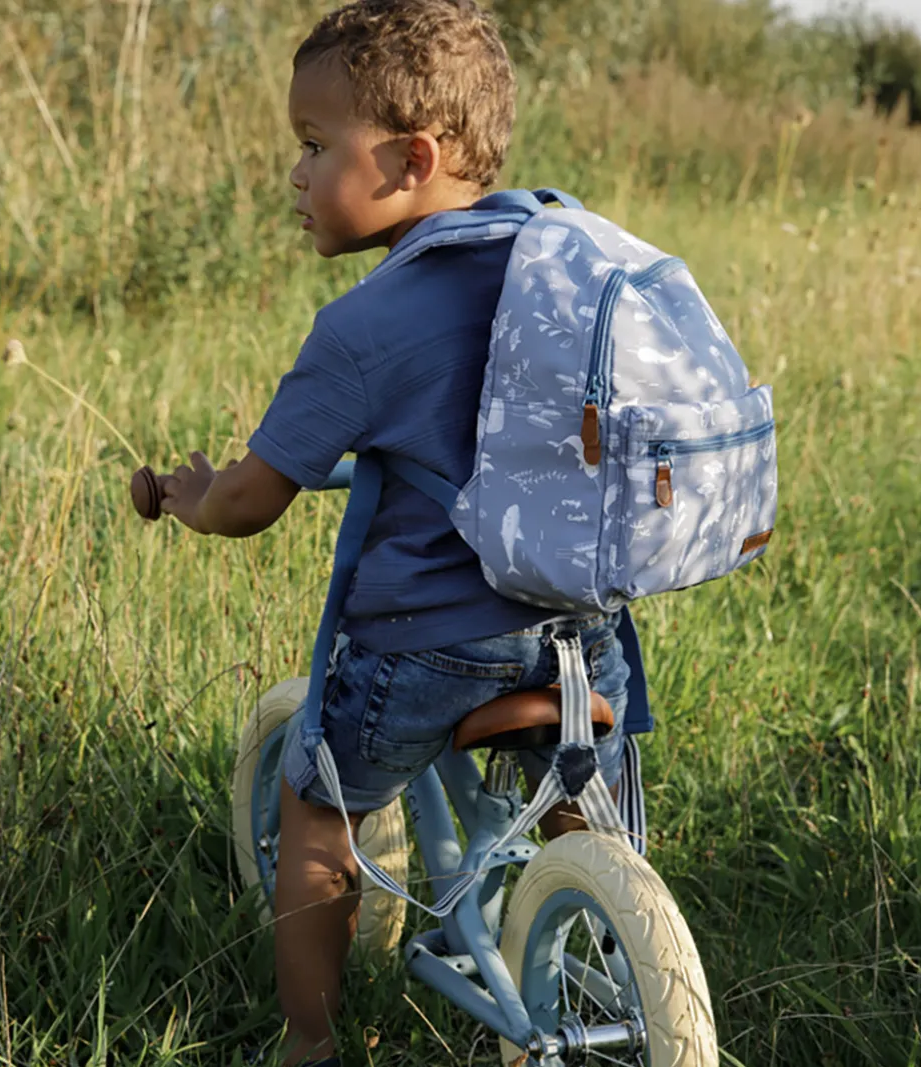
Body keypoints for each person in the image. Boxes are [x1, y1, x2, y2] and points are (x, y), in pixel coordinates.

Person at [158, 2, 631, 1063]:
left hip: (425, 645)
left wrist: (198, 497)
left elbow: (249, 500)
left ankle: (309, 1040)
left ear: (413, 160)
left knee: (315, 808)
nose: (297, 174)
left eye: (316, 147)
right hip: (574, 626)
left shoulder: (365, 326)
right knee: (562, 788)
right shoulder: (568, 271)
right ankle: (597, 920)